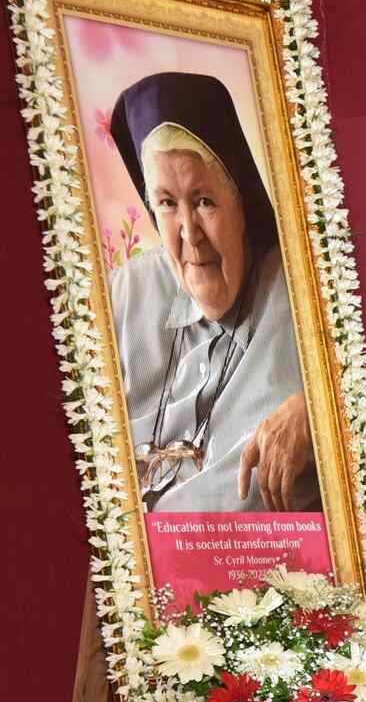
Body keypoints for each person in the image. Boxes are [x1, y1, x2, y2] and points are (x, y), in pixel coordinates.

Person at [108, 71, 321, 513]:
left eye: (204, 201)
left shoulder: (304, 295)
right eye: (167, 204)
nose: (190, 234)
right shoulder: (123, 294)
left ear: (242, 201)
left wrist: (316, 410)